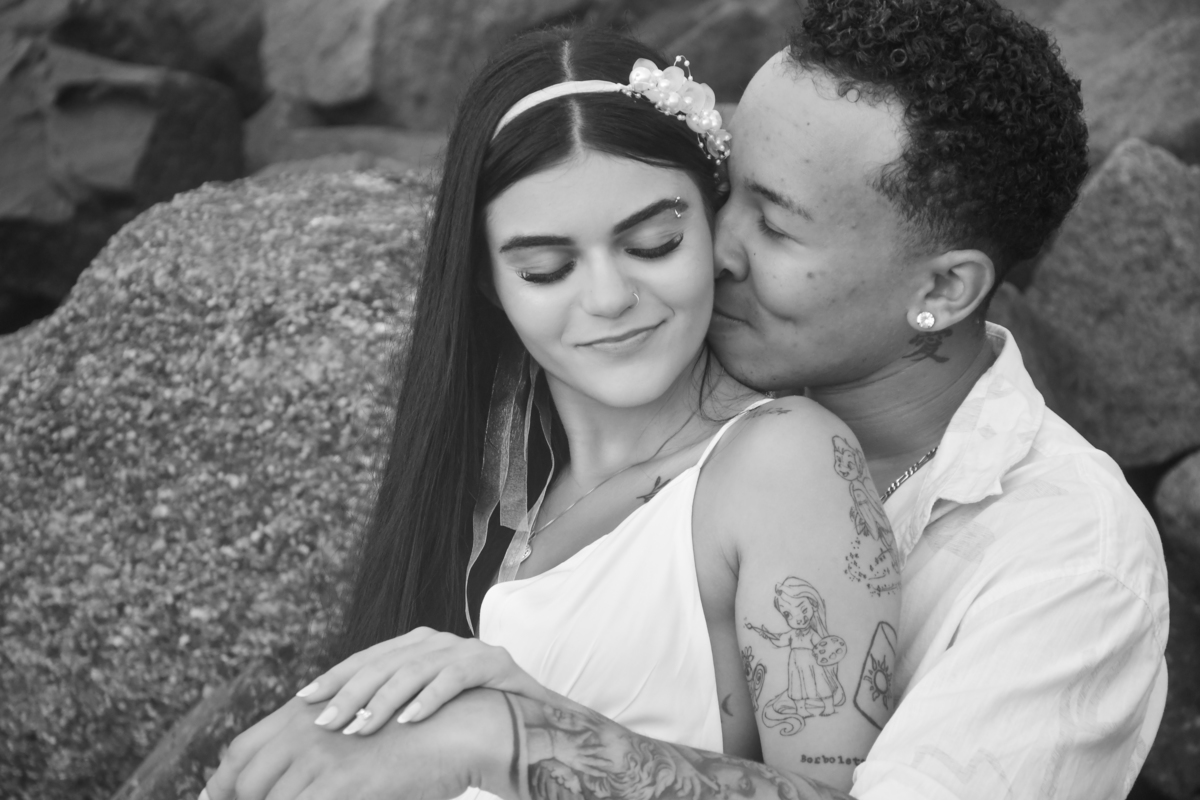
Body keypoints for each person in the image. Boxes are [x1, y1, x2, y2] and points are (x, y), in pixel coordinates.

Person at [203, 1, 1169, 799]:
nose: (718, 245)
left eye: (774, 224)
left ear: (944, 289)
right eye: (722, 188)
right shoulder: (598, 392)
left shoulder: (1070, 561)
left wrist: (515, 735)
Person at [202, 23, 899, 800]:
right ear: (488, 283)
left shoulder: (782, 460)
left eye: (654, 243)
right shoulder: (492, 472)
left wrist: (517, 733)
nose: (608, 298)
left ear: (714, 226)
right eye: (544, 268)